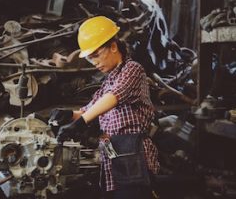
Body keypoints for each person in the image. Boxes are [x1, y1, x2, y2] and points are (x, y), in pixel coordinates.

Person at [49, 16, 159, 199]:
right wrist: (68, 115)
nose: (95, 63)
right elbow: (88, 110)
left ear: (113, 46)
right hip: (112, 158)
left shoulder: (133, 70)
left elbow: (113, 97)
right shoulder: (108, 82)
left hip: (133, 158)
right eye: (90, 59)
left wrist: (81, 122)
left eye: (96, 55)